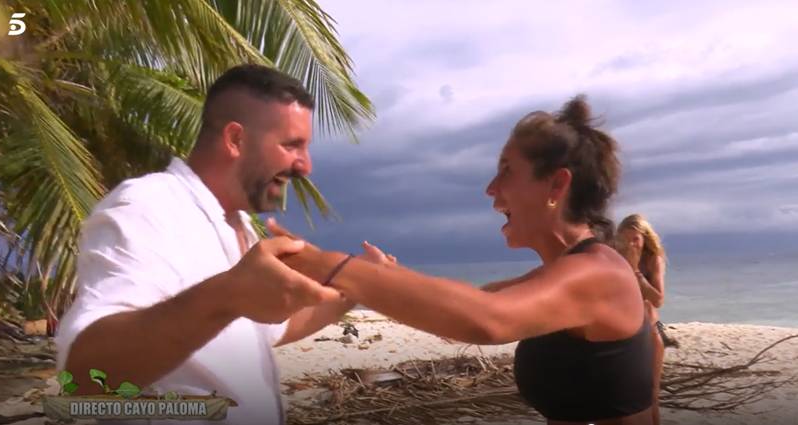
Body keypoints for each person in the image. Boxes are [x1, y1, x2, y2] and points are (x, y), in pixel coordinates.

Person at [273, 95, 655, 425]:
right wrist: (384, 275)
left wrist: (333, 266)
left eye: (507, 170)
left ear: (557, 185)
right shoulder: (562, 273)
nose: (490, 188)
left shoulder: (599, 273)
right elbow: (468, 306)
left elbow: (488, 318)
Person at [55, 64, 358, 425]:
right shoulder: (147, 206)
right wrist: (227, 295)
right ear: (236, 140)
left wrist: (351, 292)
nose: (305, 166)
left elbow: (274, 328)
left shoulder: (239, 226)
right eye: (291, 145)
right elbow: (86, 377)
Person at [616, 214, 674, 425]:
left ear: (644, 238)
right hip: (623, 331)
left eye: (635, 239)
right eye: (626, 239)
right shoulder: (615, 259)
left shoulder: (652, 259)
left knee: (651, 395)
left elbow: (658, 299)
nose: (631, 244)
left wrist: (636, 272)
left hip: (650, 329)